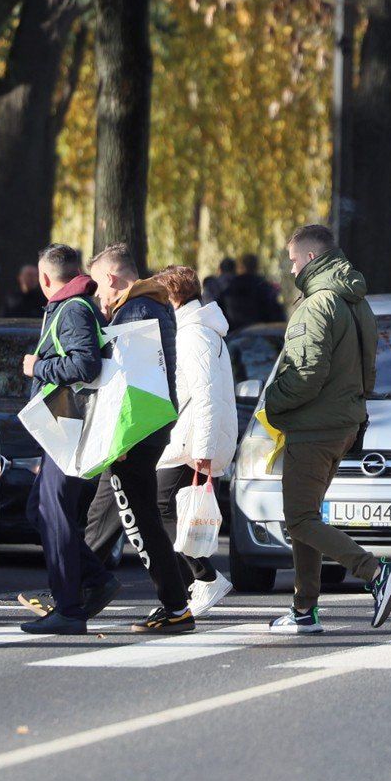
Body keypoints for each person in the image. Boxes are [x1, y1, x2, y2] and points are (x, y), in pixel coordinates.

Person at [31, 244, 195, 634]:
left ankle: (98, 593)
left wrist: (120, 440)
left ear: (110, 277)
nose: (99, 299)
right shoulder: (153, 307)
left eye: (101, 290)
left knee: (130, 517)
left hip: (135, 432)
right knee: (130, 515)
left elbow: (125, 379)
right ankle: (159, 602)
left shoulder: (137, 310)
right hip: (143, 428)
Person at [264, 224, 391, 632]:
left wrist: (272, 402)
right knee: (306, 517)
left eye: (292, 260)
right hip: (344, 421)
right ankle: (304, 610)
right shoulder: (355, 299)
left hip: (314, 426)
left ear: (309, 258)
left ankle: (375, 572)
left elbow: (306, 373)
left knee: (300, 520)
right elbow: (367, 365)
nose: (290, 270)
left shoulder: (317, 303)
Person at [17, 244, 118, 634]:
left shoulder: (72, 308)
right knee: (40, 509)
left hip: (69, 421)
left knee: (53, 510)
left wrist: (37, 366)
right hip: (64, 421)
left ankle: (70, 608)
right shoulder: (73, 305)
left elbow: (86, 364)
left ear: (45, 278)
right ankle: (95, 580)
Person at [155, 265, 238, 618]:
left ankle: (204, 576)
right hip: (189, 436)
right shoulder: (199, 330)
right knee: (165, 509)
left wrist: (203, 452)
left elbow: (206, 397)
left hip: (190, 440)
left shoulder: (193, 336)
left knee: (157, 508)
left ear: (173, 297)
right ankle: (195, 579)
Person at [216, 253, 284, 332]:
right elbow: (277, 316)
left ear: (240, 267)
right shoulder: (265, 287)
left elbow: (220, 315)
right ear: (256, 267)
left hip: (236, 337)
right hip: (263, 335)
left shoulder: (229, 289)